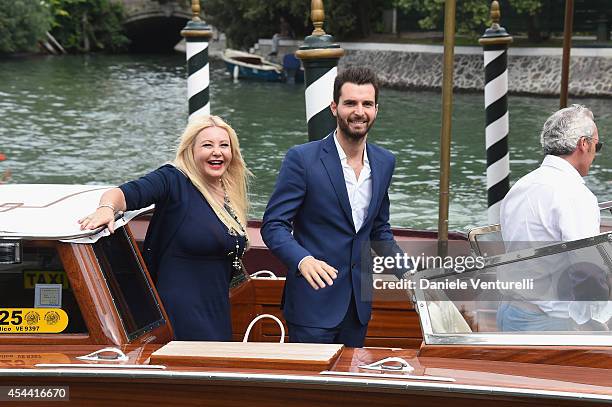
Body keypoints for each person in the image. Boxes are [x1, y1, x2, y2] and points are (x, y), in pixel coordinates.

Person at [261, 67, 406, 347]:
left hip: (358, 306)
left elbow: (379, 230)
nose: (358, 111)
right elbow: (274, 225)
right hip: (311, 305)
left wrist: (408, 272)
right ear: (334, 107)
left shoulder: (385, 161)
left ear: (376, 109)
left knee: (349, 389)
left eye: (366, 104)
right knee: (308, 390)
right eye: (350, 103)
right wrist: (303, 260)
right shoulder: (302, 159)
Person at [79, 115, 251, 341]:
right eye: (207, 145)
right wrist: (107, 208)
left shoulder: (229, 190)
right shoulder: (172, 179)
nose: (217, 152)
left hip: (217, 307)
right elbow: (124, 194)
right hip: (180, 310)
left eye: (224, 145)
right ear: (190, 150)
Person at [498, 104, 609, 331]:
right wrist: (596, 321)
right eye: (598, 145)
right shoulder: (575, 194)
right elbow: (587, 270)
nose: (596, 153)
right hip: (548, 322)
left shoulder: (523, 185)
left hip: (509, 311)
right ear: (584, 144)